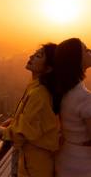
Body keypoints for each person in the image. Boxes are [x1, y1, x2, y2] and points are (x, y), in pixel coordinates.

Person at [0, 43, 59, 177]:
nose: (31, 56)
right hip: (31, 164)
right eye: (34, 53)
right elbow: (29, 121)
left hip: (36, 169)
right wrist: (12, 121)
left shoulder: (39, 94)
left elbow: (20, 135)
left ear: (48, 68)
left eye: (38, 56)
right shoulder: (35, 87)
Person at [54, 38, 91, 177]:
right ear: (77, 60)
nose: (90, 52)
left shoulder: (63, 92)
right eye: (86, 50)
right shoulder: (85, 98)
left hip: (65, 158)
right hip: (83, 166)